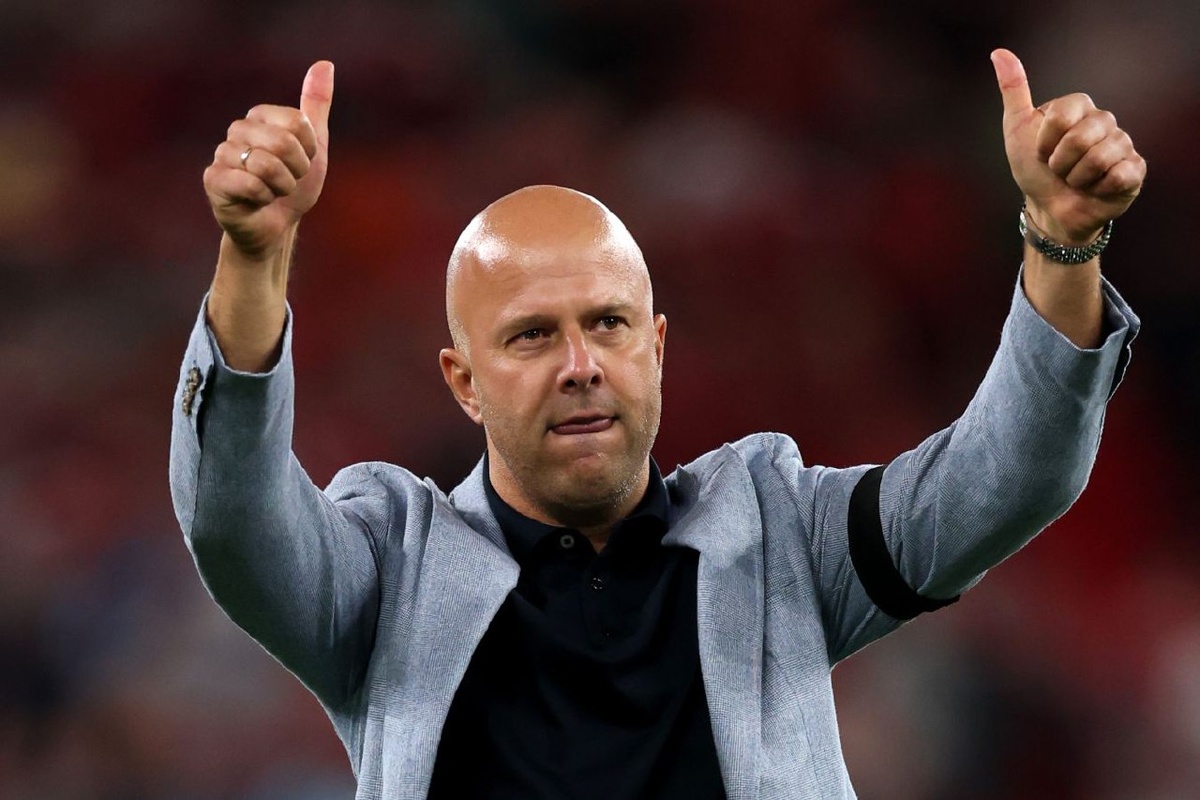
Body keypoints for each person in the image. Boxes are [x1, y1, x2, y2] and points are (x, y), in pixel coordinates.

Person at [170, 48, 1143, 799]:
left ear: (657, 345)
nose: (581, 363)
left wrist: (1063, 243)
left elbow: (1007, 475)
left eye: (608, 323)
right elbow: (231, 518)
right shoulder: (390, 568)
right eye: (532, 335)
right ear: (463, 382)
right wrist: (254, 260)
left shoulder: (780, 533)